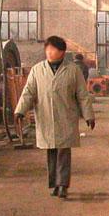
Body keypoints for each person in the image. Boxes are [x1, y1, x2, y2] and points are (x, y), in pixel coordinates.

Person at [14, 36, 96, 198]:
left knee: (63, 151)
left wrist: (89, 115)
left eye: (54, 49)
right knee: (51, 151)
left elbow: (82, 95)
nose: (50, 52)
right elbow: (29, 92)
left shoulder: (73, 70)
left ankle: (63, 185)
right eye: (48, 49)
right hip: (46, 116)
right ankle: (54, 183)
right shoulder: (37, 70)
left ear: (62, 52)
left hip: (66, 116)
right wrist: (20, 111)